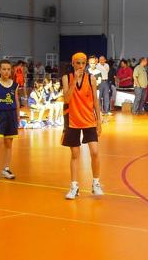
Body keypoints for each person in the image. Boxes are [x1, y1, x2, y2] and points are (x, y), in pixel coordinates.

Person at [61, 52, 103, 199]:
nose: (80, 66)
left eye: (83, 63)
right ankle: (74, 187)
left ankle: (96, 183)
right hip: (73, 121)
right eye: (77, 63)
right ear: (73, 64)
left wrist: (99, 120)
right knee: (75, 154)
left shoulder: (91, 78)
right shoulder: (66, 78)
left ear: (86, 65)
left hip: (89, 120)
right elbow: (66, 99)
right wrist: (74, 81)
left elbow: (96, 102)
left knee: (95, 152)